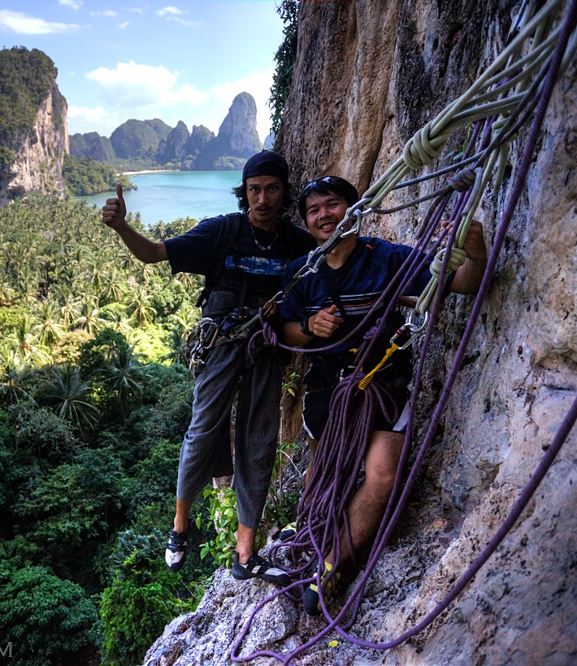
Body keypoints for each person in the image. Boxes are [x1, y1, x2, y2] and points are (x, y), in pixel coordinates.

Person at [101, 150, 315, 585]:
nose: (262, 198)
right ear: (245, 192)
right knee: (204, 429)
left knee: (259, 442)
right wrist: (122, 226)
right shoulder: (223, 231)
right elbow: (153, 253)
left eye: (271, 189)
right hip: (222, 343)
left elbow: (330, 270)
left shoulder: (299, 244)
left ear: (283, 192)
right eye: (254, 189)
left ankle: (245, 553)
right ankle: (179, 527)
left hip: (267, 347)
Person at [278, 175, 488, 614]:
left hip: (384, 383)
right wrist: (311, 326)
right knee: (327, 472)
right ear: (307, 223)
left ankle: (331, 565)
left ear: (353, 210)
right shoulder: (302, 272)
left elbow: (462, 283)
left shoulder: (388, 259)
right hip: (329, 391)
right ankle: (313, 536)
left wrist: (475, 249)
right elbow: (286, 328)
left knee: (383, 474)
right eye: (314, 211)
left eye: (332, 205)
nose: (324, 216)